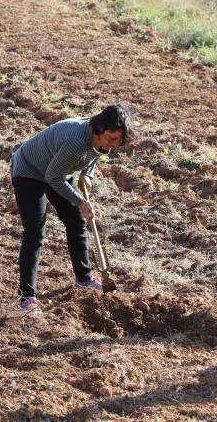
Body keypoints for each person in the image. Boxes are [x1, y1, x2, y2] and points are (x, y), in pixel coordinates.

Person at [10, 105, 133, 314]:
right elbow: (52, 177)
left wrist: (87, 174)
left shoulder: (103, 140)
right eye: (111, 138)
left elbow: (94, 154)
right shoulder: (75, 142)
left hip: (58, 170)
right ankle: (27, 297)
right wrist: (80, 201)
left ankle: (83, 279)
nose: (113, 145)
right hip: (30, 171)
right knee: (35, 232)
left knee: (76, 223)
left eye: (118, 140)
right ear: (98, 130)